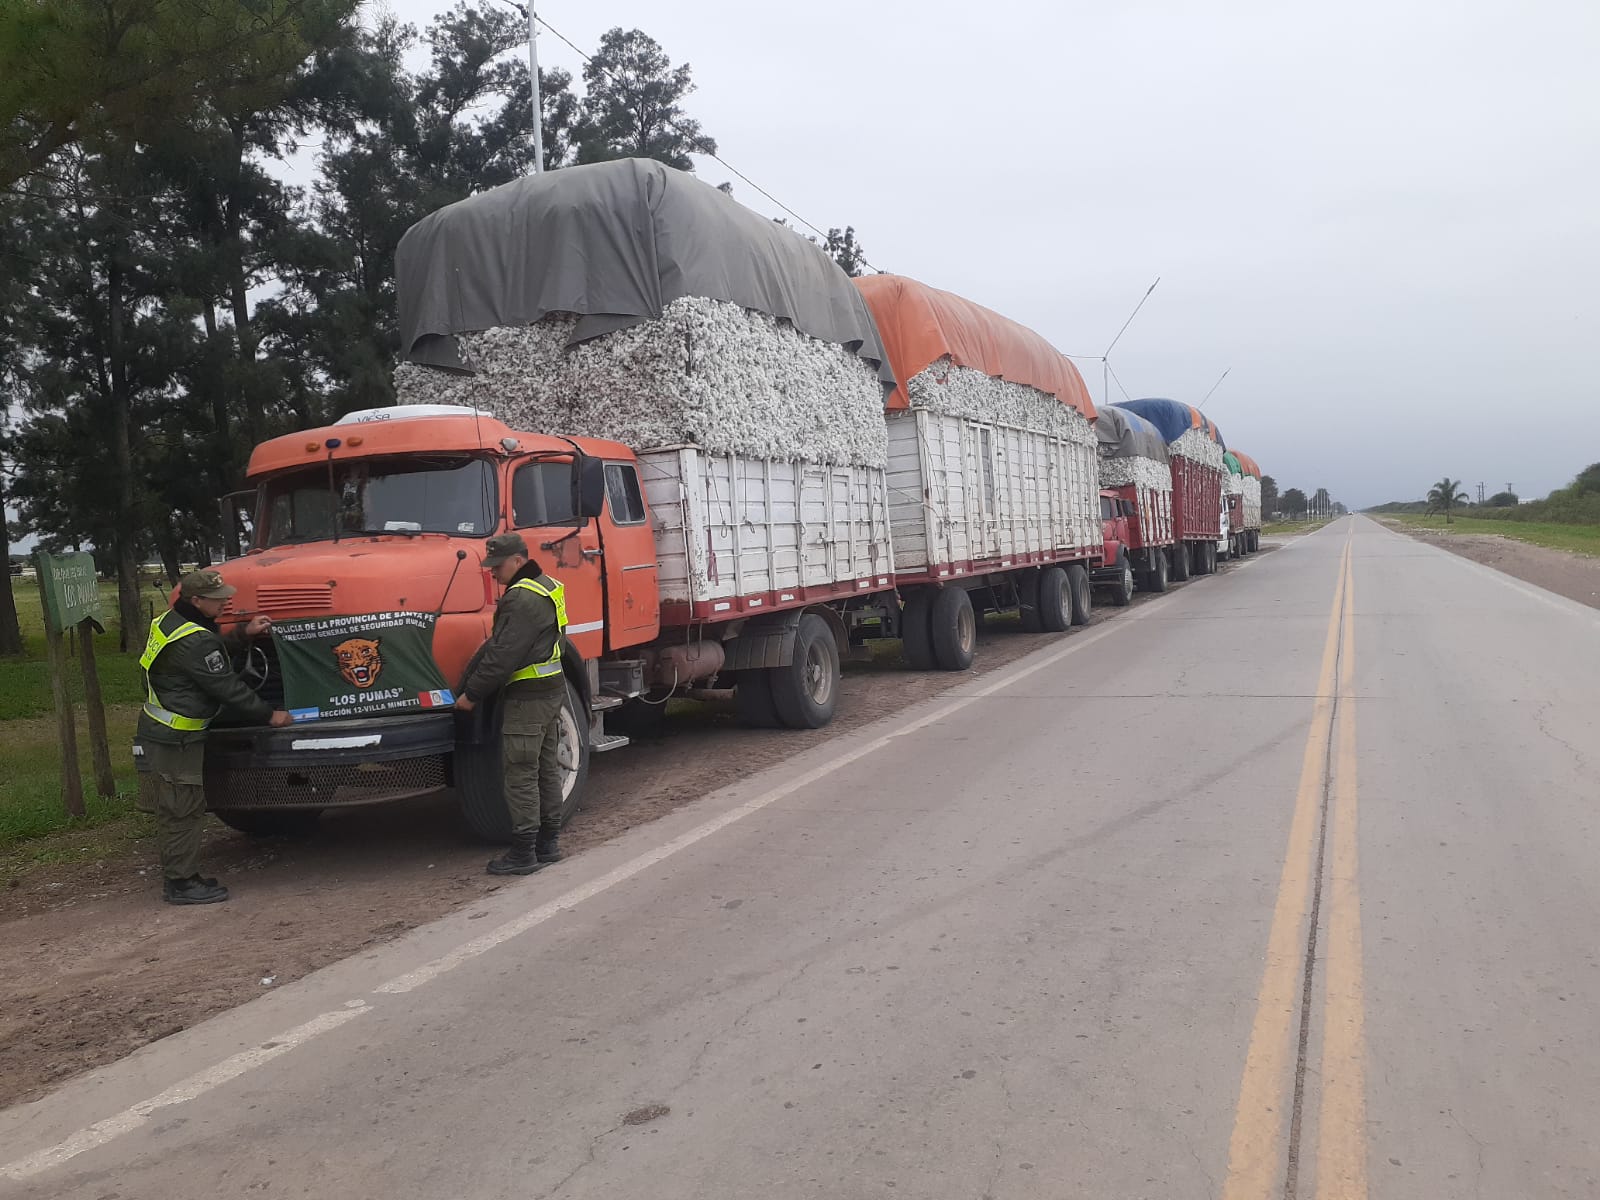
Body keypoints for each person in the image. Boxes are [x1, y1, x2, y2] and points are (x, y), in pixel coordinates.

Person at [138, 569, 292, 905]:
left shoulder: (171, 621)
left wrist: (242, 632)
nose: (225, 602)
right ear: (197, 600)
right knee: (182, 810)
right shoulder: (197, 639)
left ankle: (183, 876)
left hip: (165, 731)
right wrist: (270, 714)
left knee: (179, 807)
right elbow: (226, 686)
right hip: (176, 737)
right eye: (218, 599)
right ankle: (181, 883)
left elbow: (203, 651)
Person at [456, 532, 569, 876]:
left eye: (497, 566)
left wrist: (470, 694)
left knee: (520, 773)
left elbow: (503, 655)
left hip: (528, 697)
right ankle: (548, 843)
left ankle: (523, 853)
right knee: (547, 768)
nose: (493, 573)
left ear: (518, 560)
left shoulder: (520, 598)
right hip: (552, 690)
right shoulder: (547, 585)